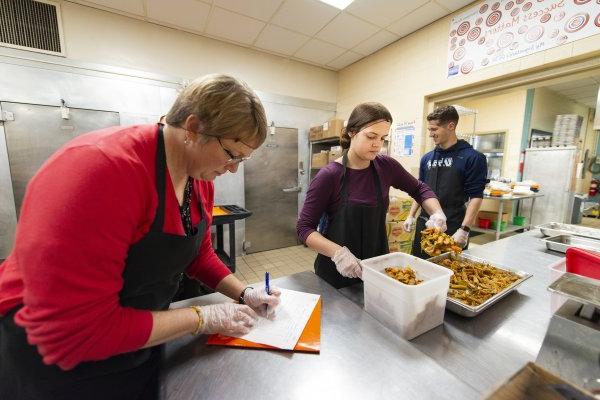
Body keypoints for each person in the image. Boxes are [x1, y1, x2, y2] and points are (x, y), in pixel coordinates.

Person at [0, 74, 281, 399]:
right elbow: (81, 329)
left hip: (133, 333)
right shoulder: (104, 170)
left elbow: (199, 255)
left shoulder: (198, 176)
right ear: (193, 129)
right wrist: (200, 316)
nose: (233, 168)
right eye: (232, 154)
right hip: (54, 353)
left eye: (242, 160)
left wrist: (244, 292)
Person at [297, 102, 446, 289]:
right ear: (352, 132)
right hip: (336, 274)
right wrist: (338, 254)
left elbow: (420, 189)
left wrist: (437, 213)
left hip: (377, 270)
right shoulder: (329, 176)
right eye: (371, 136)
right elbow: (304, 229)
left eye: (383, 138)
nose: (377, 144)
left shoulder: (386, 167)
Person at [404, 105, 487, 259]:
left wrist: (465, 229)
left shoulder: (472, 157)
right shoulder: (427, 158)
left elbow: (476, 196)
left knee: (448, 270)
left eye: (434, 129)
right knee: (419, 267)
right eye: (429, 130)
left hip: (453, 225)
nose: (430, 134)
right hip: (425, 224)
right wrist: (411, 215)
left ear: (451, 126)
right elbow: (419, 189)